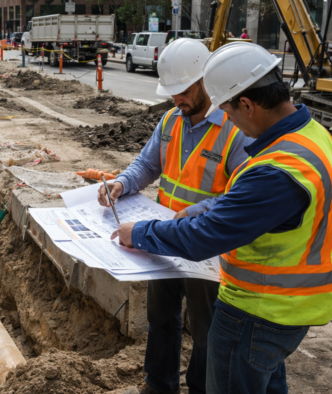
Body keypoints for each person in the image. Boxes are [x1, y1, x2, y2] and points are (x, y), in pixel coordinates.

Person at [112, 42, 332, 394]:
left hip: (259, 306)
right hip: (287, 306)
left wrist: (143, 233)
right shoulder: (312, 138)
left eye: (231, 111)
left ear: (248, 105)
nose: (230, 119)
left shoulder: (277, 168)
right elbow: (149, 164)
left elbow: (208, 233)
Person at [98, 38, 252, 394]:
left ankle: (199, 387)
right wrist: (121, 184)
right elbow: (146, 165)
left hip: (205, 247)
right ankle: (159, 384)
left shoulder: (235, 132)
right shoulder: (171, 121)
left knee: (204, 329)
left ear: (205, 82)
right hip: (164, 241)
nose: (176, 99)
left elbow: (238, 198)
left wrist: (187, 217)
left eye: (182, 91)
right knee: (161, 319)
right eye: (172, 93)